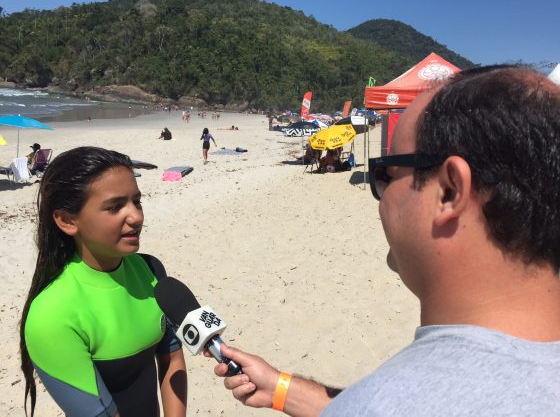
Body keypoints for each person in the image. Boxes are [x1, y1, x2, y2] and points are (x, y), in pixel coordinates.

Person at [211, 66, 560, 415]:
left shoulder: (388, 402)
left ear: (450, 191)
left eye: (387, 173)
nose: (381, 194)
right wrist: (282, 389)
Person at [20, 147, 187, 417]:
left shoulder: (151, 270)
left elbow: (171, 357)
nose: (136, 217)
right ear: (67, 220)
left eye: (137, 201)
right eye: (115, 206)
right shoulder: (52, 315)